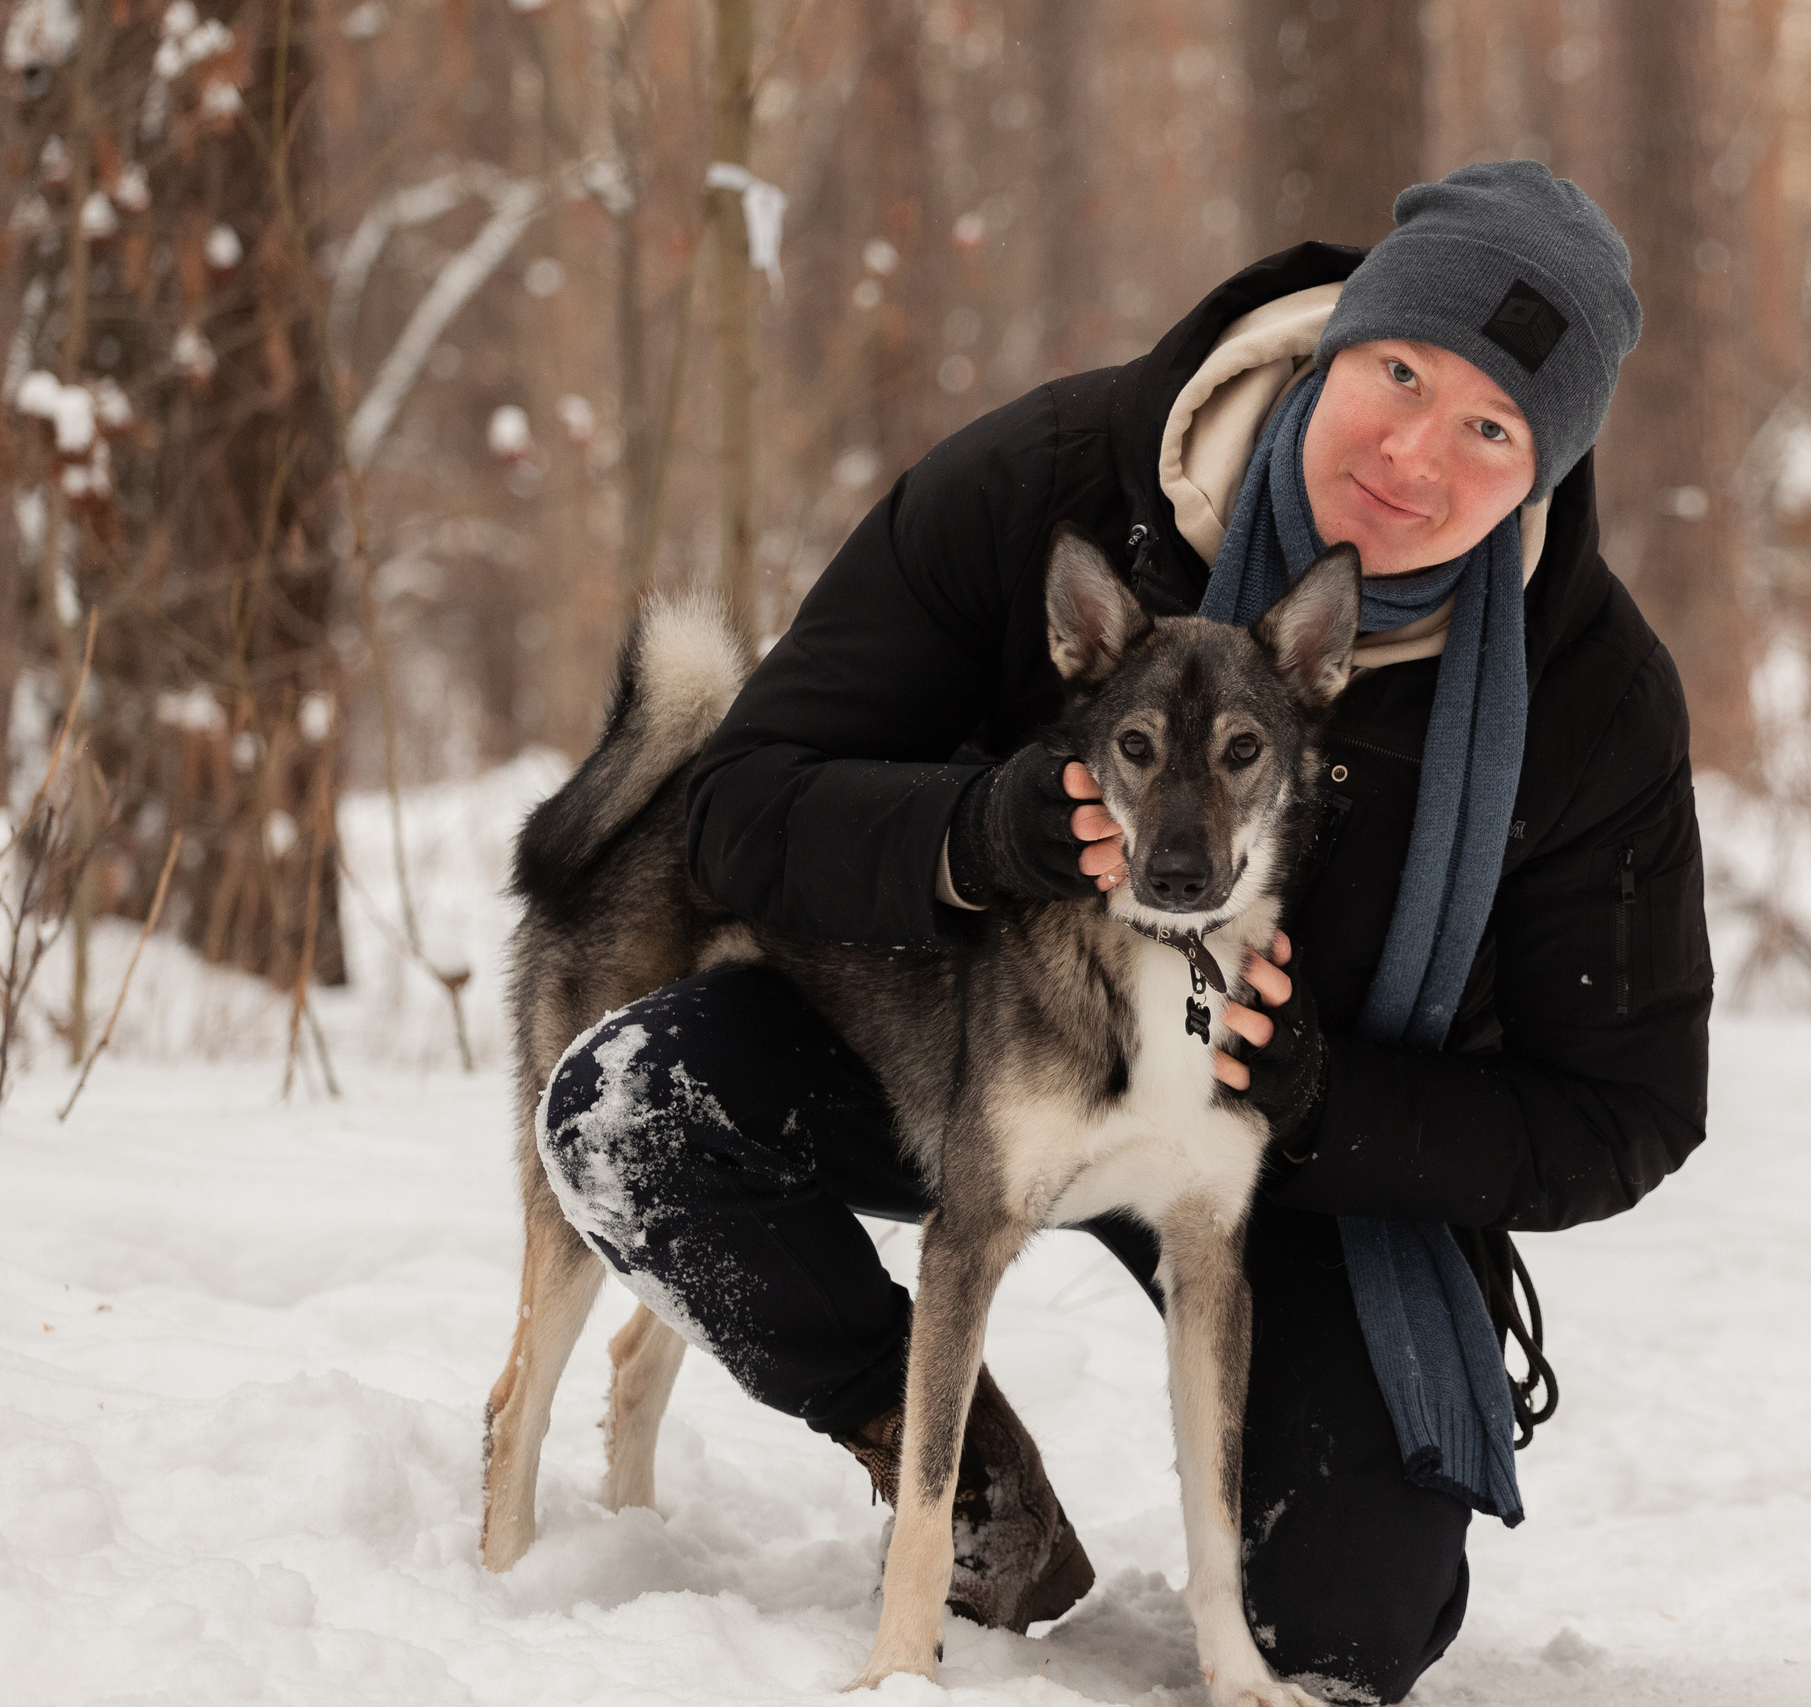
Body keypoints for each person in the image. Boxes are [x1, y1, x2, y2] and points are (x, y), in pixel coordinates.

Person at [537, 159, 1712, 1703]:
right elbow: (741, 808)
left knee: (1351, 1627)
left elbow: (1625, 1112)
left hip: (1291, 1171)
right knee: (635, 1115)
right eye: (1402, 375)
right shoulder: (1058, 483)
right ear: (1335, 342)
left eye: (1492, 428)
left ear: (1542, 470)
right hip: (968, 1063)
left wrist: (1328, 1099)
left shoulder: (1585, 700)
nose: (1418, 457)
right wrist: (977, 833)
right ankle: (941, 1457)